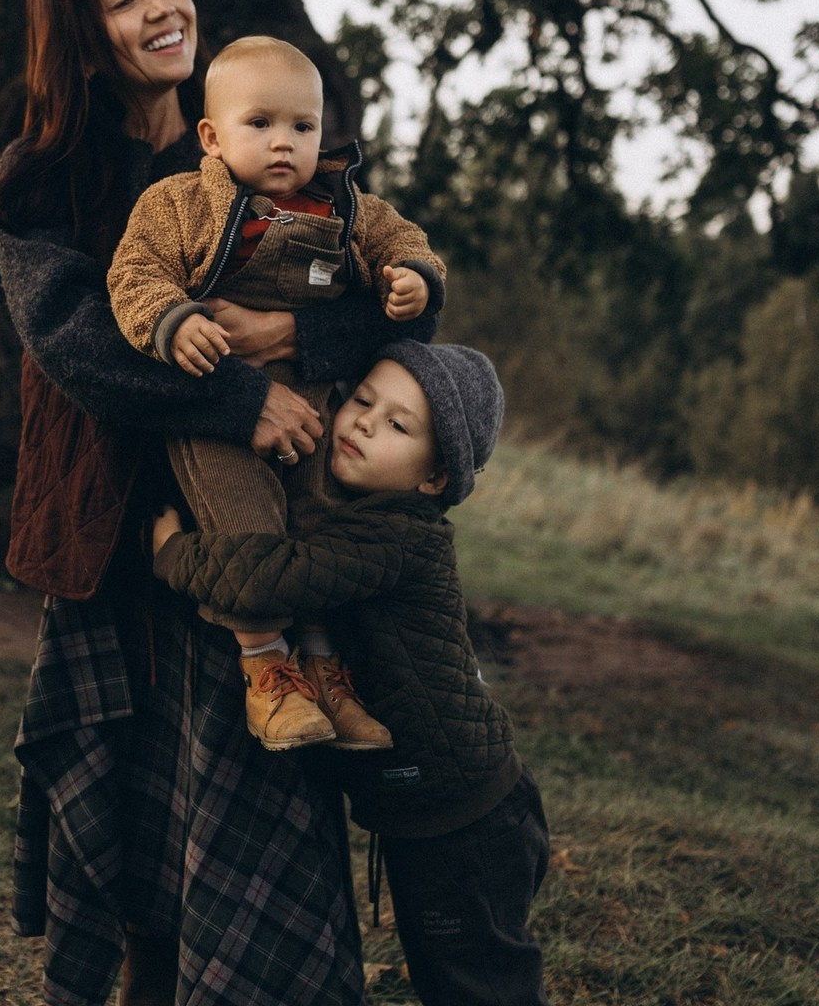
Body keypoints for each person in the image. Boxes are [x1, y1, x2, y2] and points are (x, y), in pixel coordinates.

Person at [0, 0, 436, 1006]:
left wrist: (297, 345)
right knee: (136, 828)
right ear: (79, 36)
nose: (161, 7)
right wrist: (243, 394)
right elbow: (76, 343)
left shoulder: (264, 139)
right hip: (119, 534)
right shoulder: (42, 176)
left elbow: (379, 294)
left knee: (250, 802)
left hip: (261, 527)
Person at [151, 343, 551, 1006]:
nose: (363, 422)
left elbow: (269, 580)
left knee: (476, 986)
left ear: (434, 480)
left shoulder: (396, 535)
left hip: (464, 826)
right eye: (362, 400)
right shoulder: (360, 520)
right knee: (456, 977)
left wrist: (173, 553)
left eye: (398, 425)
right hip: (446, 813)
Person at [107, 35, 447, 752]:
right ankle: (267, 674)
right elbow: (134, 272)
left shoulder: (349, 209)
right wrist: (168, 321)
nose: (284, 143)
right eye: (259, 124)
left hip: (320, 404)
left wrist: (415, 276)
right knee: (247, 526)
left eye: (303, 125)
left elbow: (405, 240)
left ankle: (325, 670)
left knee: (322, 520)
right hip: (218, 410)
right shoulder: (181, 204)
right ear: (211, 135)